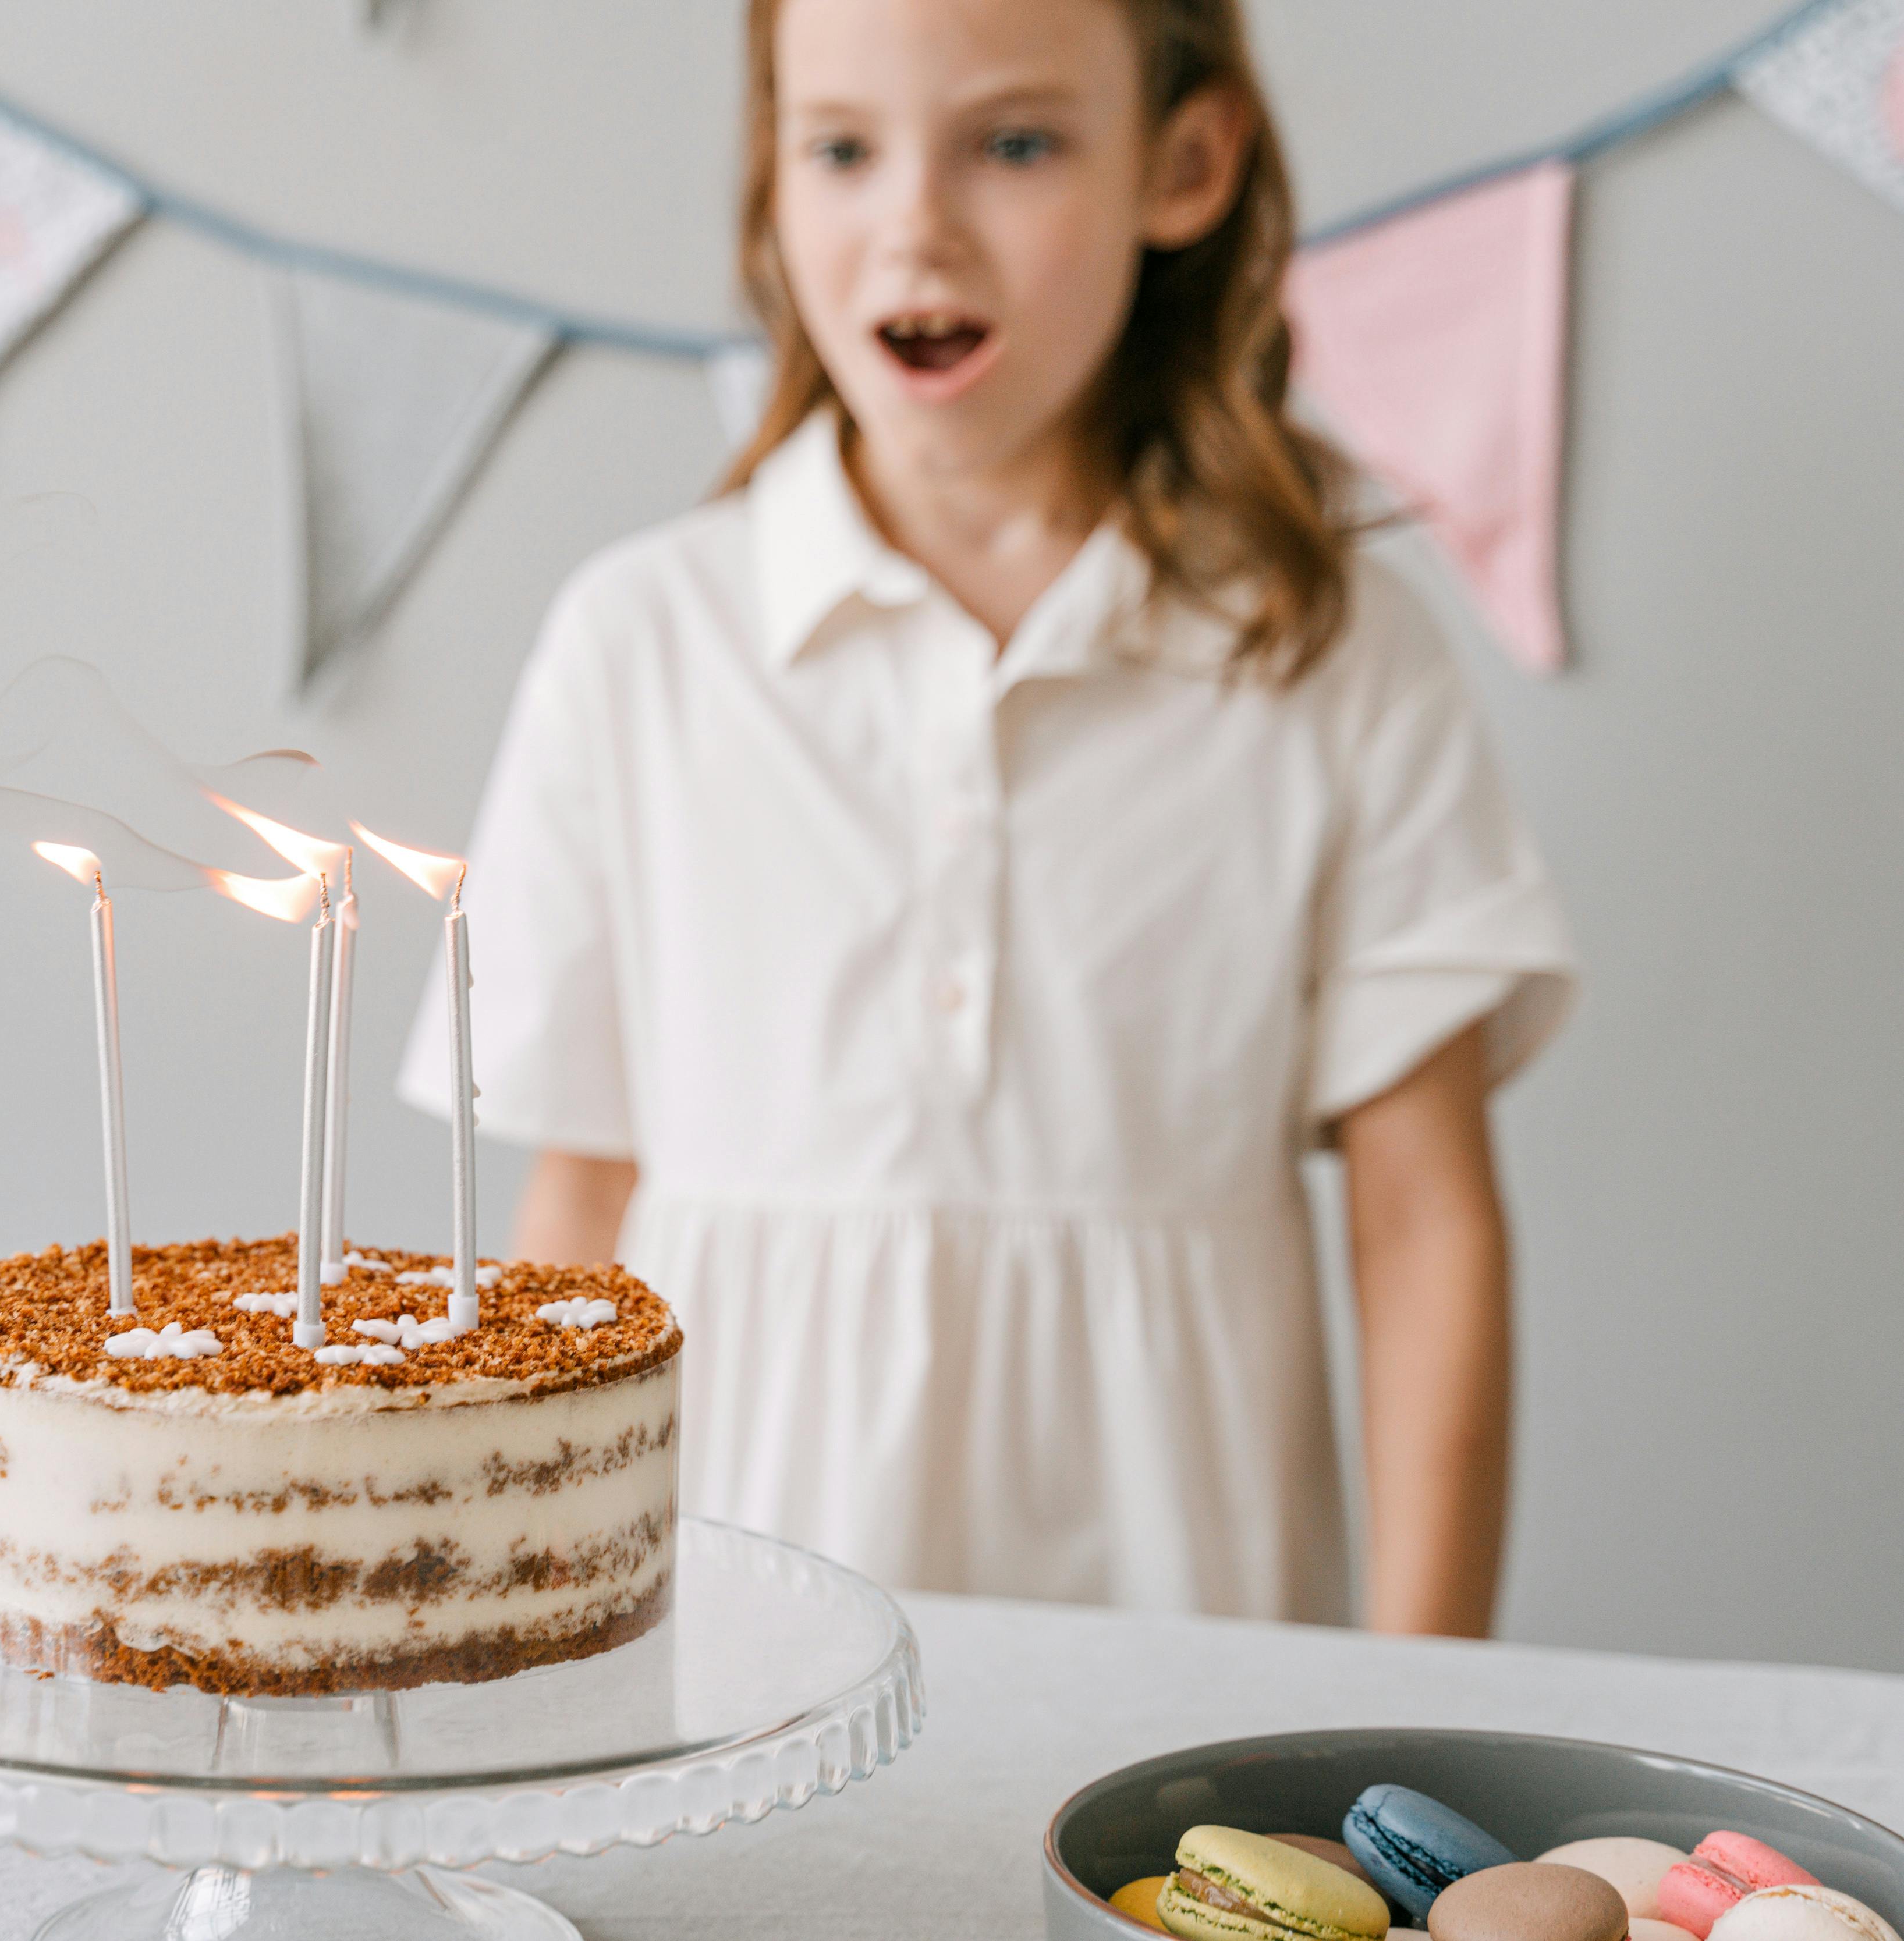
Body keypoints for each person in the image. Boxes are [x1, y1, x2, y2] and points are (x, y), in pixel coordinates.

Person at [402, 0, 1577, 1634]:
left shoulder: (1327, 653)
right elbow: (573, 1218)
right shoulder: (643, 643)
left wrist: (1428, 1706)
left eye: (1013, 144)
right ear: (772, 175)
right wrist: (506, 1649)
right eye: (841, 149)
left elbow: (1426, 1218)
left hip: (1192, 1646)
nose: (916, 226)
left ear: (1185, 164)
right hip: (724, 1633)